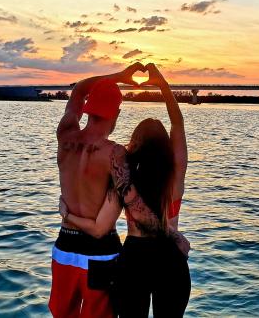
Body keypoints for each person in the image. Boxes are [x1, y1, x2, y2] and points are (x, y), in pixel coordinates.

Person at [60, 63, 191, 317]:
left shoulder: (125, 176)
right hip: (170, 257)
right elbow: (178, 124)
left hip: (134, 258)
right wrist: (162, 83)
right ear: (166, 146)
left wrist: (68, 215)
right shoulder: (176, 174)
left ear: (136, 144)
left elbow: (99, 226)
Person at [49, 63, 145, 318]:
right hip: (101, 253)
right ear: (117, 113)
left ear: (87, 109)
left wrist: (119, 76)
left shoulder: (65, 136)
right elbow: (128, 205)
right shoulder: (115, 153)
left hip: (65, 249)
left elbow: (80, 89)